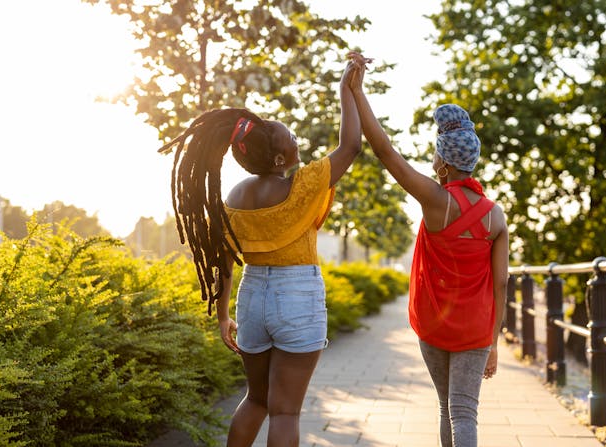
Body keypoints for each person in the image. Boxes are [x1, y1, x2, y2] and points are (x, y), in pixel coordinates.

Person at [157, 54, 365, 447]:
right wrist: (346, 89)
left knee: (255, 400)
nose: (296, 139)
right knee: (285, 411)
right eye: (291, 137)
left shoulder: (232, 198)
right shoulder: (301, 186)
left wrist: (222, 316)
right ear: (279, 158)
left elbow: (223, 265)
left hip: (251, 297)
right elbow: (351, 145)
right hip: (297, 295)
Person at [347, 53, 509, 447]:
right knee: (464, 411)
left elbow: (385, 151)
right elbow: (501, 282)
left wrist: (356, 91)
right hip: (475, 329)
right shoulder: (495, 217)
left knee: (445, 408)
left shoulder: (435, 200)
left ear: (443, 162)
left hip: (435, 324)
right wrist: (494, 340)